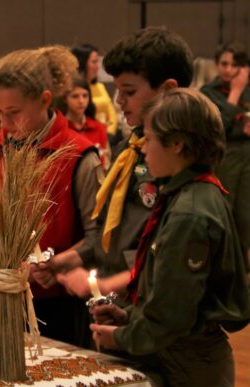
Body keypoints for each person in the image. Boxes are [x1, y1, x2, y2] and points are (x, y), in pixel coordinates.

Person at [90, 88, 250, 387]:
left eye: (149, 139)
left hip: (190, 363)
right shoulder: (189, 194)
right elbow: (169, 295)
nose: (144, 149)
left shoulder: (189, 213)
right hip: (180, 353)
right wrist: (129, 316)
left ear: (177, 144)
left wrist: (122, 337)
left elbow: (173, 316)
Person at [0, 45, 104, 346]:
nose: (5, 125)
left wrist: (58, 262)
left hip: (53, 305)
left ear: (45, 100)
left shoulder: (80, 155)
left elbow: (98, 238)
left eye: (14, 113)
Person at [57, 27, 194, 306]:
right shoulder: (127, 149)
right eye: (117, 90)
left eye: (129, 92)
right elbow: (110, 228)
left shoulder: (179, 159)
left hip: (150, 308)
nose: (119, 101)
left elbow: (169, 258)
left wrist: (108, 285)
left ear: (168, 90)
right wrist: (70, 259)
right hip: (113, 303)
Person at [200, 42, 250, 270]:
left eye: (235, 64)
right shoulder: (208, 93)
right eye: (224, 64)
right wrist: (236, 93)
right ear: (217, 65)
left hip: (247, 157)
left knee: (245, 217)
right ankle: (225, 269)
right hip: (225, 157)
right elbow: (218, 126)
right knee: (226, 214)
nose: (229, 69)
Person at [56, 76, 111, 169]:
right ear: (65, 99)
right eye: (75, 96)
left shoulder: (99, 127)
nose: (81, 101)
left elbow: (107, 161)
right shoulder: (60, 129)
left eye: (85, 96)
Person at [72, 44, 118, 138]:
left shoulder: (99, 86)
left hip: (108, 136)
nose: (98, 66)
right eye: (94, 62)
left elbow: (112, 114)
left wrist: (109, 133)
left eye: (98, 62)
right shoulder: (73, 90)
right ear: (82, 63)